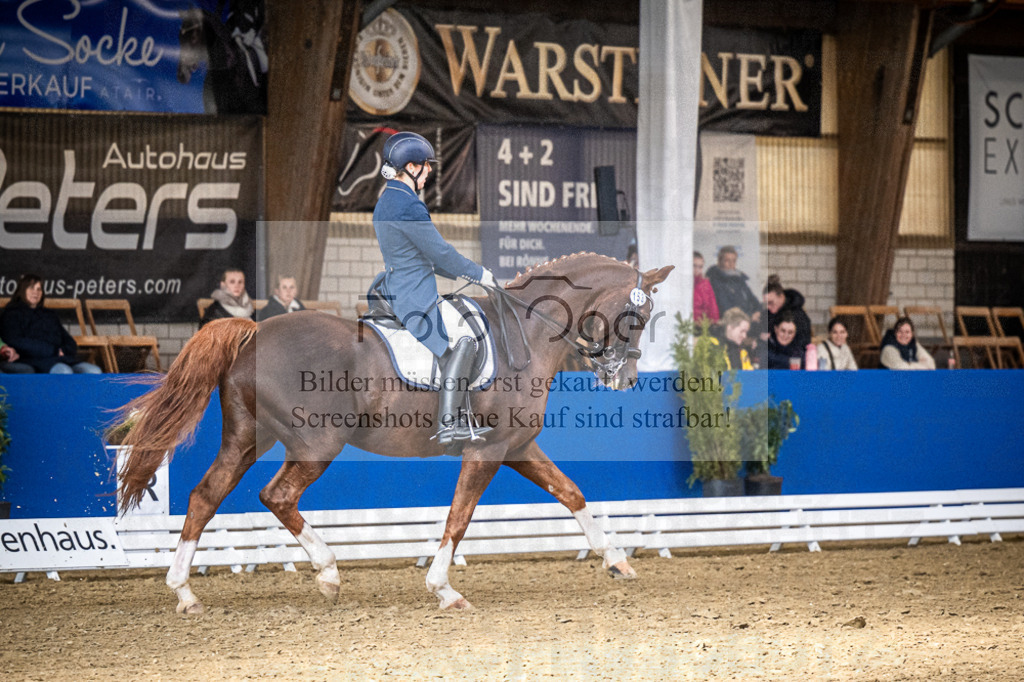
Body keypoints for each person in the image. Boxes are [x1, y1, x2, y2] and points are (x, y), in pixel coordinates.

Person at [371, 131, 497, 445]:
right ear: (409, 168)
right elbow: (440, 252)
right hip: (413, 294)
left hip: (395, 285)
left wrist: (456, 270)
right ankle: (448, 424)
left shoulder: (388, 199)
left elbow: (422, 254)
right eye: (425, 165)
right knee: (466, 337)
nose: (429, 171)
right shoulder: (408, 206)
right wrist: (479, 273)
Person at [0, 274, 102, 374]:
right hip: (33, 360)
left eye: (39, 289)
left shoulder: (49, 315)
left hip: (60, 359)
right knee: (64, 371)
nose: (36, 292)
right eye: (31, 288)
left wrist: (63, 350)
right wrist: (52, 351)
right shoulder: (12, 313)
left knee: (94, 371)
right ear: (22, 290)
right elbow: (15, 340)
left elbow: (69, 341)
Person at [757, 275, 812, 351]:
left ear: (781, 296)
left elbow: (803, 343)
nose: (768, 307)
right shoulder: (767, 312)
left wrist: (771, 338)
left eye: (771, 302)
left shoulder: (798, 315)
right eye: (765, 304)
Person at [705, 246, 760, 318]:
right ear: (719, 261)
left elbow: (755, 301)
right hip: (732, 323)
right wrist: (749, 317)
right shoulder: (715, 282)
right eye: (727, 260)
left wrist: (758, 312)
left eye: (734, 261)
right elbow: (725, 309)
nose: (731, 264)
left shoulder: (740, 280)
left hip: (748, 319)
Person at [692, 252, 719, 323]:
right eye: (694, 266)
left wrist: (713, 322)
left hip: (705, 326)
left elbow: (713, 309)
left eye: (700, 267)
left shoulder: (706, 284)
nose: (697, 270)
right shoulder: (681, 285)